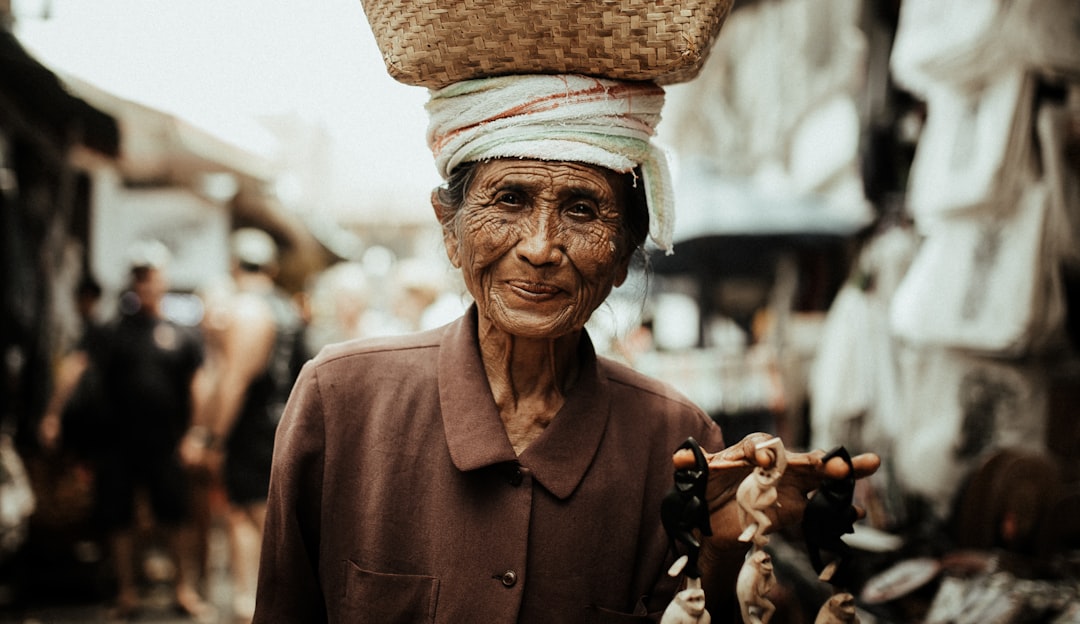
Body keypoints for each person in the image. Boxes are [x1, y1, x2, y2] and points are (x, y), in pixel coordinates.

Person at [253, 74, 879, 622]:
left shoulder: (678, 439)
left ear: (623, 258)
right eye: (510, 200)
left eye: (582, 210)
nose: (540, 247)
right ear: (450, 230)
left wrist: (724, 548)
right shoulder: (341, 398)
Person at [184, 228, 302, 622]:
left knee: (245, 520)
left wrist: (211, 438)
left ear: (235, 265)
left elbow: (233, 381)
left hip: (253, 433)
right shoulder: (285, 307)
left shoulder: (248, 309)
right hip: (284, 424)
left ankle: (247, 606)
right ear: (270, 265)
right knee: (273, 522)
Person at [94, 240, 213, 621]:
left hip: (167, 442)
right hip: (118, 441)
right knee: (120, 518)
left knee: (175, 516)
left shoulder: (183, 333)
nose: (146, 286)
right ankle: (127, 593)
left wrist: (196, 434)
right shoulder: (113, 332)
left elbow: (199, 386)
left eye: (152, 278)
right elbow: (91, 377)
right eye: (140, 279)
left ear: (163, 281)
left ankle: (183, 588)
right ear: (133, 283)